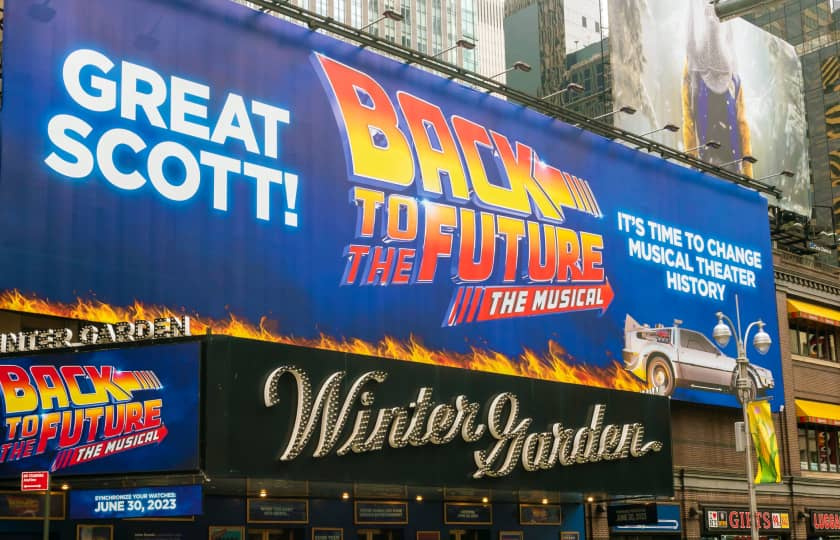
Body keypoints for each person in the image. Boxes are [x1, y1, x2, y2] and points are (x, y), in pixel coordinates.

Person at [681, 1, 753, 178]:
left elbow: (743, 125)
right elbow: (688, 119)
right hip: (708, 162)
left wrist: (748, 173)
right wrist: (692, 162)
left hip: (731, 163)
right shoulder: (692, 72)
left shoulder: (734, 79)